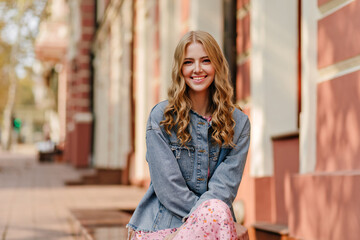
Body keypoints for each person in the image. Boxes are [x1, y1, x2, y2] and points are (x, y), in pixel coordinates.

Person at [127, 30, 250, 240]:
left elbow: (223, 188)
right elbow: (168, 189)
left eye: (205, 61)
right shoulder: (162, 118)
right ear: (179, 69)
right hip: (161, 227)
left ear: (217, 66)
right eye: (188, 62)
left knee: (218, 209)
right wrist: (211, 220)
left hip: (213, 226)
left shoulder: (238, 124)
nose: (197, 69)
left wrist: (211, 221)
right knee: (218, 213)